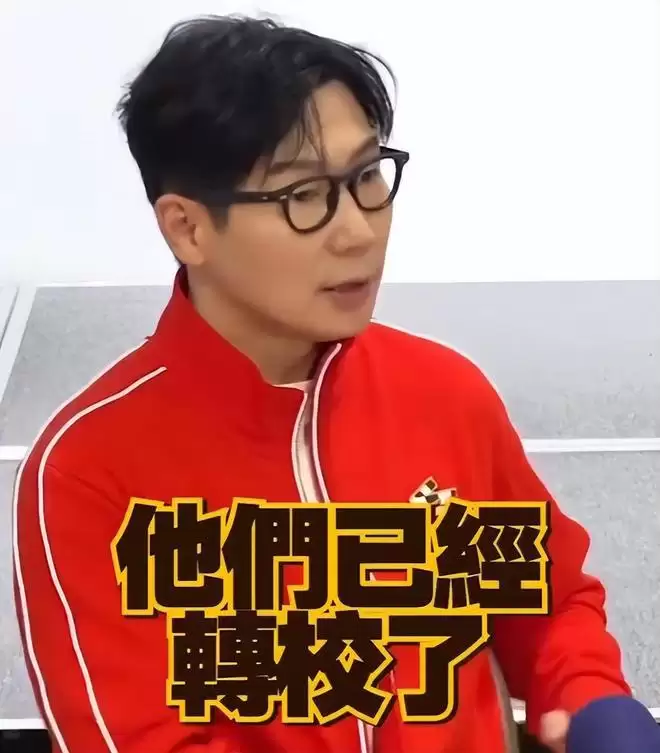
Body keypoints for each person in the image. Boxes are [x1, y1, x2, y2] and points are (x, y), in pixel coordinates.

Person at [14, 14, 634, 753]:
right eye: (303, 196)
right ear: (187, 228)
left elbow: (549, 603)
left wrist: (591, 697)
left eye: (367, 177)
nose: (358, 232)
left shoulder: (446, 393)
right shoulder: (87, 474)